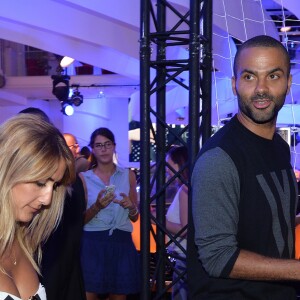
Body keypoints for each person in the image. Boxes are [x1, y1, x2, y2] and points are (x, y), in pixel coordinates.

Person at [188, 35, 299, 299]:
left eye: (273, 76)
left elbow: (266, 224)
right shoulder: (220, 157)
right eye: (249, 77)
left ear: (288, 82)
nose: (261, 88)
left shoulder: (279, 148)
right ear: (234, 84)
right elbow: (218, 258)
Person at [0, 114, 74, 300]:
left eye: (55, 185)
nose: (48, 200)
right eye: (40, 183)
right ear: (8, 170)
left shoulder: (25, 240)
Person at [80, 127, 140, 300]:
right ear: (92, 148)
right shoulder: (84, 178)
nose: (103, 149)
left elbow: (135, 217)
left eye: (107, 144)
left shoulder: (128, 175)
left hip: (121, 242)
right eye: (99, 145)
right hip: (92, 243)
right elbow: (80, 220)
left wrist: (130, 207)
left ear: (114, 146)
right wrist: (97, 206)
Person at [165, 146, 188, 300]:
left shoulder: (185, 190)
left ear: (179, 163)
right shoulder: (187, 188)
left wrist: (160, 221)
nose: (167, 170)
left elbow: (185, 228)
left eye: (169, 165)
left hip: (185, 259)